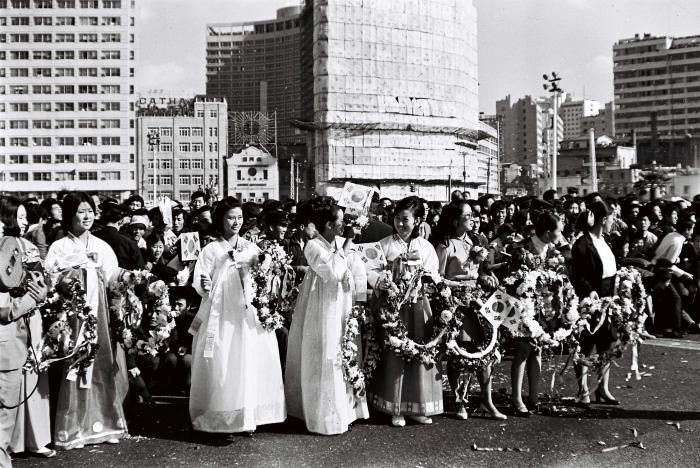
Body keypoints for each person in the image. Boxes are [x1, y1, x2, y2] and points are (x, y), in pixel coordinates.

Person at [189, 197, 286, 434]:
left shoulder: (250, 246)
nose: (236, 222)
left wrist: (264, 264)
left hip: (247, 311)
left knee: (250, 357)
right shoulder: (211, 249)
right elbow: (201, 282)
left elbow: (263, 273)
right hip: (221, 313)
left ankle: (248, 411)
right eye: (231, 217)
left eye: (239, 217)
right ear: (220, 220)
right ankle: (223, 412)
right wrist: (205, 284)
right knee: (224, 358)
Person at [44, 192, 129, 450]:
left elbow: (113, 277)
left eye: (90, 210)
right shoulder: (59, 247)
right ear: (70, 216)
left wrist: (130, 279)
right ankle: (74, 429)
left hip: (99, 317)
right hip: (74, 320)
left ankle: (107, 424)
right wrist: (71, 274)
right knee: (75, 369)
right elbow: (50, 280)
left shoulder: (102, 246)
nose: (87, 215)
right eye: (81, 211)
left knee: (102, 366)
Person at [285, 196, 369, 435]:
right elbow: (333, 272)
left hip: (341, 303)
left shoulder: (339, 242)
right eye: (340, 221)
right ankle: (322, 412)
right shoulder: (313, 246)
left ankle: (345, 408)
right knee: (324, 351)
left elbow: (353, 269)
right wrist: (349, 242)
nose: (345, 225)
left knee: (344, 348)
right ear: (328, 225)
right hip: (321, 305)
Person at [367, 196, 443, 427]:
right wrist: (384, 281)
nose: (400, 224)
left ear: (418, 220)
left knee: (419, 354)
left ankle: (417, 407)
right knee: (395, 355)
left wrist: (426, 281)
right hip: (393, 310)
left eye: (406, 220)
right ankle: (395, 408)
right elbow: (369, 269)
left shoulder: (426, 247)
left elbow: (434, 275)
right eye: (397, 219)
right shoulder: (384, 244)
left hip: (419, 308)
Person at [433, 201, 506, 421]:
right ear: (455, 220)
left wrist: (484, 276)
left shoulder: (476, 240)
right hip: (458, 303)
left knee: (488, 350)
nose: (473, 218)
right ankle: (459, 401)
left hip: (479, 301)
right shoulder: (446, 245)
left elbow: (481, 270)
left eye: (473, 214)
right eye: (467, 215)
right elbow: (438, 277)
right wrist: (461, 283)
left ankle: (486, 400)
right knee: (461, 353)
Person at [0, 197, 53, 462]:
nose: (22, 222)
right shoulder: (5, 251)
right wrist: (36, 296)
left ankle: (33, 437)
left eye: (24, 216)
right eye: (16, 216)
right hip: (12, 322)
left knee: (31, 374)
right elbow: (5, 306)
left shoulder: (27, 246)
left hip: (28, 321)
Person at [509, 212, 562, 417]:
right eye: (559, 231)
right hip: (523, 306)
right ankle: (516, 397)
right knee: (523, 349)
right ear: (548, 233)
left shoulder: (552, 250)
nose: (561, 235)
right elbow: (513, 280)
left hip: (543, 307)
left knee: (537, 349)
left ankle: (534, 396)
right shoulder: (522, 249)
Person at [570, 201, 620, 407]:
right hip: (591, 299)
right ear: (603, 219)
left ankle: (602, 387)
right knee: (586, 345)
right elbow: (577, 274)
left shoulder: (605, 241)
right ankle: (583, 390)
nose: (613, 222)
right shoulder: (582, 243)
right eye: (611, 218)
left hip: (608, 297)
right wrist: (588, 291)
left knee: (607, 343)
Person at [93, 202, 146, 271]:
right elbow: (139, 269)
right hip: (122, 279)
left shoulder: (92, 237)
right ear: (120, 221)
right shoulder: (129, 241)